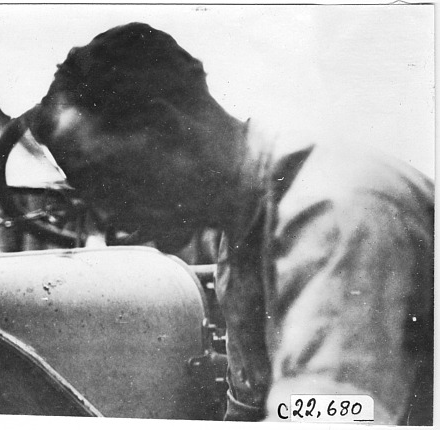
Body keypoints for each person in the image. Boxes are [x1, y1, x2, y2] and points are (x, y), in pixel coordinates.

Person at [23, 22, 434, 424]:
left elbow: (334, 414)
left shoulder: (332, 211)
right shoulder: (242, 228)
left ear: (171, 130)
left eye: (107, 179)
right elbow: (253, 411)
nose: (109, 214)